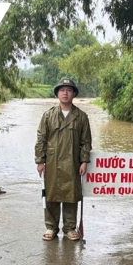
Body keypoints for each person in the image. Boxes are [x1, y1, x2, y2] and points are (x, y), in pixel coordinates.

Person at [35, 78, 92, 241]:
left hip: (72, 163)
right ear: (57, 93)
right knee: (51, 194)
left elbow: (86, 141)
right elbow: (41, 139)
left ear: (74, 93)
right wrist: (40, 161)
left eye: (68, 90)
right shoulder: (48, 116)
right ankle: (51, 227)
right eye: (62, 90)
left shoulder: (81, 116)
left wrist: (84, 161)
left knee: (71, 195)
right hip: (52, 162)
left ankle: (69, 228)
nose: (65, 93)